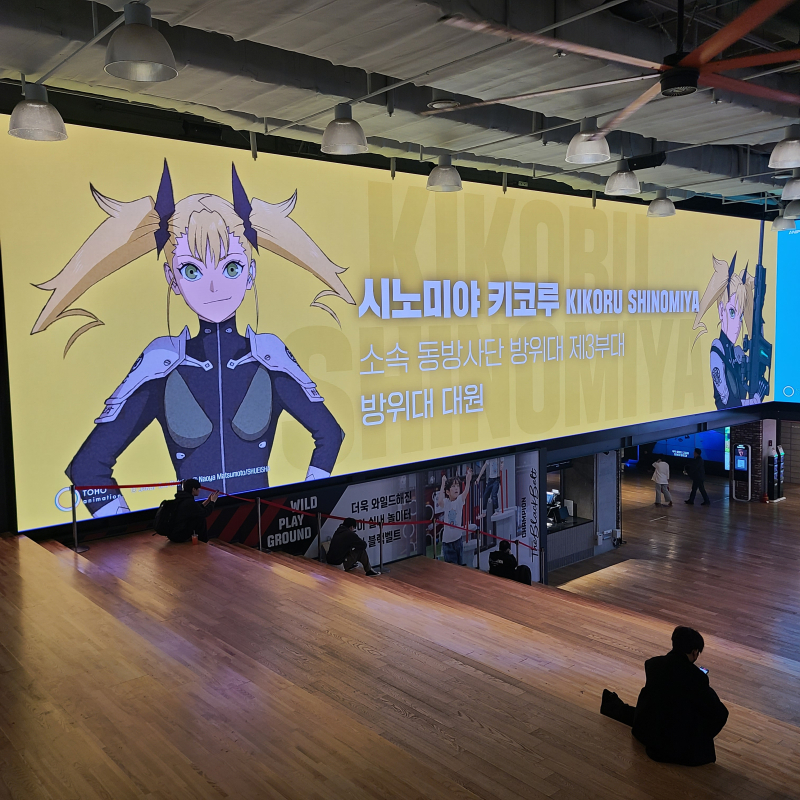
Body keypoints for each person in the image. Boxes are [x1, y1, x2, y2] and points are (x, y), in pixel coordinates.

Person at [33, 161, 354, 518]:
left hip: (259, 532)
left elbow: (330, 434)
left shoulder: (267, 356)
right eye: (192, 270)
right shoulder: (162, 364)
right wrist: (131, 533)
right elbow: (87, 467)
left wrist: (301, 509)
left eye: (230, 267)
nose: (214, 286)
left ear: (250, 273)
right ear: (172, 278)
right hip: (191, 539)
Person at [601, 626, 729, 766]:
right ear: (694, 652)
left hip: (647, 732)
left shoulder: (653, 664)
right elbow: (718, 712)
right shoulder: (697, 677)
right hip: (676, 745)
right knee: (718, 711)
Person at [693, 253, 768, 410]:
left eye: (740, 317)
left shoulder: (737, 352)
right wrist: (755, 400)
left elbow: (758, 365)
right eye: (732, 312)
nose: (737, 324)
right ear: (721, 311)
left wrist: (758, 320)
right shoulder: (717, 351)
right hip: (728, 417)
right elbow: (726, 403)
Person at [439, 468, 474, 565]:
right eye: (453, 486)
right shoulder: (446, 502)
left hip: (458, 540)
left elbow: (466, 491)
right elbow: (440, 501)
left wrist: (468, 480)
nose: (456, 488)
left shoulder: (459, 500)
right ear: (448, 492)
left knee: (459, 565)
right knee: (451, 567)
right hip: (447, 542)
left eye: (457, 486)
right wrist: (443, 484)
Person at [170, 478, 219, 542]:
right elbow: (205, 513)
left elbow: (197, 509)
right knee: (201, 519)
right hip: (179, 535)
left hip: (173, 533)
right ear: (193, 489)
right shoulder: (189, 502)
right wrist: (212, 502)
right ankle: (203, 542)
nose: (199, 490)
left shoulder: (182, 498)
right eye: (198, 489)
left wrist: (208, 501)